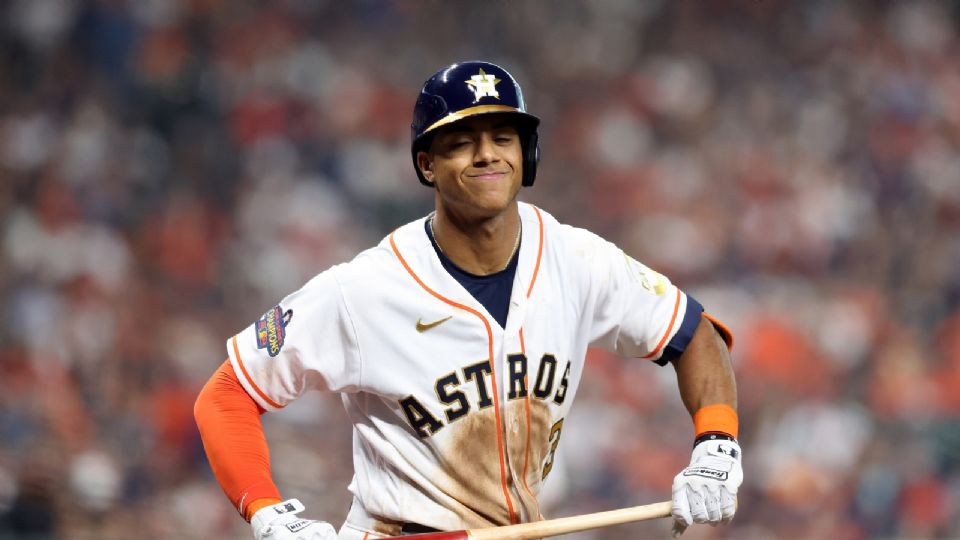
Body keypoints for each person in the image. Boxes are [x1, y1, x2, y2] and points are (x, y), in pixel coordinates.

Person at [194, 60, 742, 540]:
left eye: (503, 137)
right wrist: (270, 514)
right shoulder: (364, 290)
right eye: (461, 142)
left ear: (526, 154)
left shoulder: (576, 260)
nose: (487, 155)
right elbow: (226, 394)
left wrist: (716, 446)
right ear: (427, 164)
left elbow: (697, 335)